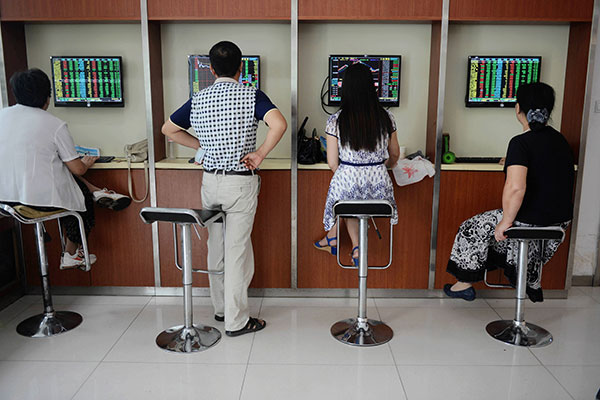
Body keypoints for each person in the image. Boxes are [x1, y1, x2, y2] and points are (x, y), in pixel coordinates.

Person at [162, 41, 287, 337]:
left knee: (215, 247)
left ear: (211, 69)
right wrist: (259, 154)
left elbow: (168, 129)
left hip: (210, 183)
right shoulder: (250, 94)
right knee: (237, 252)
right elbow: (279, 124)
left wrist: (201, 145)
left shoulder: (199, 98)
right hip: (240, 182)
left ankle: (220, 309)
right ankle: (237, 321)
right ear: (241, 68)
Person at [444, 82, 574, 302]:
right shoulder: (560, 141)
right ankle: (529, 277)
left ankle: (464, 284)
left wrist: (506, 221)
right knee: (495, 234)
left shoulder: (521, 143)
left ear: (518, 108)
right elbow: (544, 168)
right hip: (558, 225)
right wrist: (513, 161)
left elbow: (516, 188)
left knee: (471, 228)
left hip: (528, 221)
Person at [0, 68, 131, 270]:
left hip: (5, 200)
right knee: (82, 197)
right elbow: (78, 169)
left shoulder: (2, 116)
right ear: (47, 97)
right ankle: (71, 253)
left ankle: (98, 192)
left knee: (60, 169)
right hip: (38, 201)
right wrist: (86, 163)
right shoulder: (54, 125)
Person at [313, 63, 400, 265]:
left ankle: (339, 238)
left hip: (348, 181)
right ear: (372, 88)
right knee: (355, 200)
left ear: (346, 89)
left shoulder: (335, 120)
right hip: (380, 189)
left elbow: (332, 162)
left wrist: (349, 172)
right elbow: (394, 154)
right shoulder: (387, 117)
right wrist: (381, 168)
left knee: (348, 197)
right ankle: (354, 246)